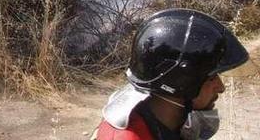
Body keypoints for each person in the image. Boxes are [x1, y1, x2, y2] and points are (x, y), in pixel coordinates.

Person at [92, 8, 250, 140]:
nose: (220, 87)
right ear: (182, 81)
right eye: (212, 77)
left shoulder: (161, 124)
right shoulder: (129, 137)